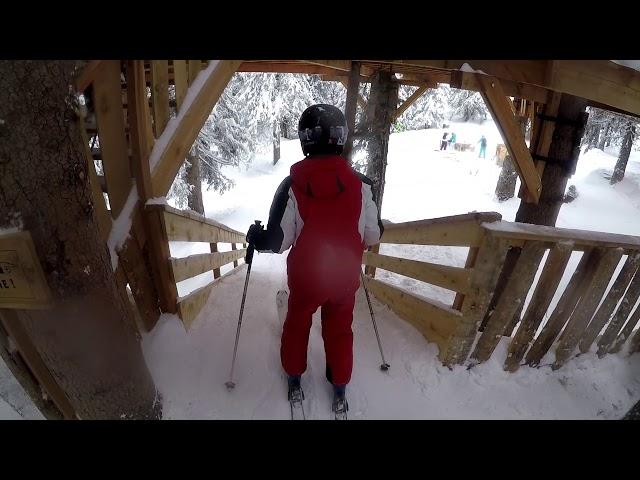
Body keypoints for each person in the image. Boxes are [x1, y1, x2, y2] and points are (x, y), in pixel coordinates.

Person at [246, 104, 383, 416]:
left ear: (305, 139)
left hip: (308, 277)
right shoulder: (362, 185)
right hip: (344, 276)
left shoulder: (292, 185)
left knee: (297, 323)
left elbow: (279, 241)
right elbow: (373, 235)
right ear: (341, 138)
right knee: (340, 329)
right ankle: (340, 386)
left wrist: (257, 236)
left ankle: (295, 377)